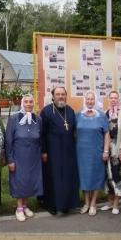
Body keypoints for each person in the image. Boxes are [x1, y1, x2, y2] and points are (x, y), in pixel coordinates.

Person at [39, 87, 80, 215]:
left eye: (63, 94)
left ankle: (68, 203)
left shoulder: (70, 111)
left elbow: (73, 130)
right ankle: (52, 204)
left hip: (68, 148)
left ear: (66, 96)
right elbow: (42, 133)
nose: (60, 96)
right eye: (58, 94)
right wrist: (44, 151)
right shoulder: (46, 111)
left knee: (67, 175)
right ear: (53, 96)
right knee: (54, 176)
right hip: (53, 149)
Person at [6, 94, 43, 222]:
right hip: (18, 156)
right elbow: (8, 140)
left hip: (33, 156)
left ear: (33, 104)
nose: (28, 104)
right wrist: (10, 159)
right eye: (26, 102)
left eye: (30, 102)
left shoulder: (38, 120)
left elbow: (41, 139)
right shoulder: (14, 119)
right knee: (19, 181)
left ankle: (25, 206)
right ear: (22, 103)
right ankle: (19, 208)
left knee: (29, 180)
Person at [75, 90, 110, 217]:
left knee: (95, 176)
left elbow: (106, 133)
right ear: (85, 100)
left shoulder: (101, 116)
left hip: (96, 151)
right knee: (84, 177)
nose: (90, 101)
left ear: (95, 101)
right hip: (81, 152)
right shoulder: (78, 115)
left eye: (92, 99)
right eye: (88, 99)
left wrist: (106, 151)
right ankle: (86, 203)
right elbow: (75, 133)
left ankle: (94, 204)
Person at [100, 91, 121, 215]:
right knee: (108, 175)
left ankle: (117, 204)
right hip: (107, 148)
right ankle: (109, 202)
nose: (113, 100)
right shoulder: (105, 114)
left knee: (117, 175)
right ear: (108, 99)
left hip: (117, 149)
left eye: (115, 98)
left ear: (118, 99)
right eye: (111, 98)